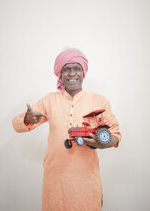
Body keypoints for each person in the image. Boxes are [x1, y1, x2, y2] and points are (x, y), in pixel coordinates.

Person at [12, 48, 121, 211]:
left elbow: (116, 135)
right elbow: (16, 124)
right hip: (55, 180)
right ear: (60, 74)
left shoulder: (99, 101)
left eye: (76, 68)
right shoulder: (49, 100)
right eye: (66, 69)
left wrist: (102, 142)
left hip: (86, 180)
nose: (71, 73)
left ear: (83, 73)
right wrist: (27, 119)